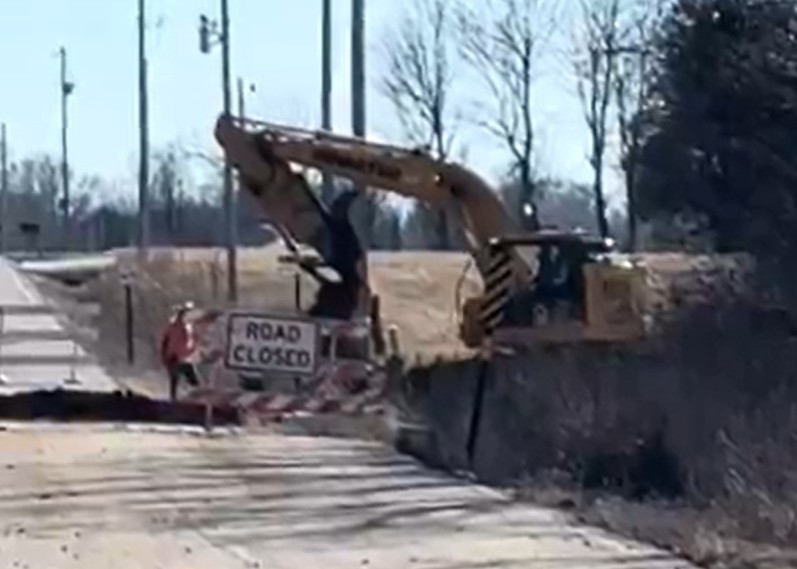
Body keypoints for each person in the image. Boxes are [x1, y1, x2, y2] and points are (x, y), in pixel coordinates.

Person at [160, 301, 200, 401]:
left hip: (182, 357)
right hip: (175, 357)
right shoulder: (175, 327)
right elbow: (166, 341)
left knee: (187, 379)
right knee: (177, 379)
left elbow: (191, 341)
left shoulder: (187, 326)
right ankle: (175, 398)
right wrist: (165, 356)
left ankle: (183, 397)